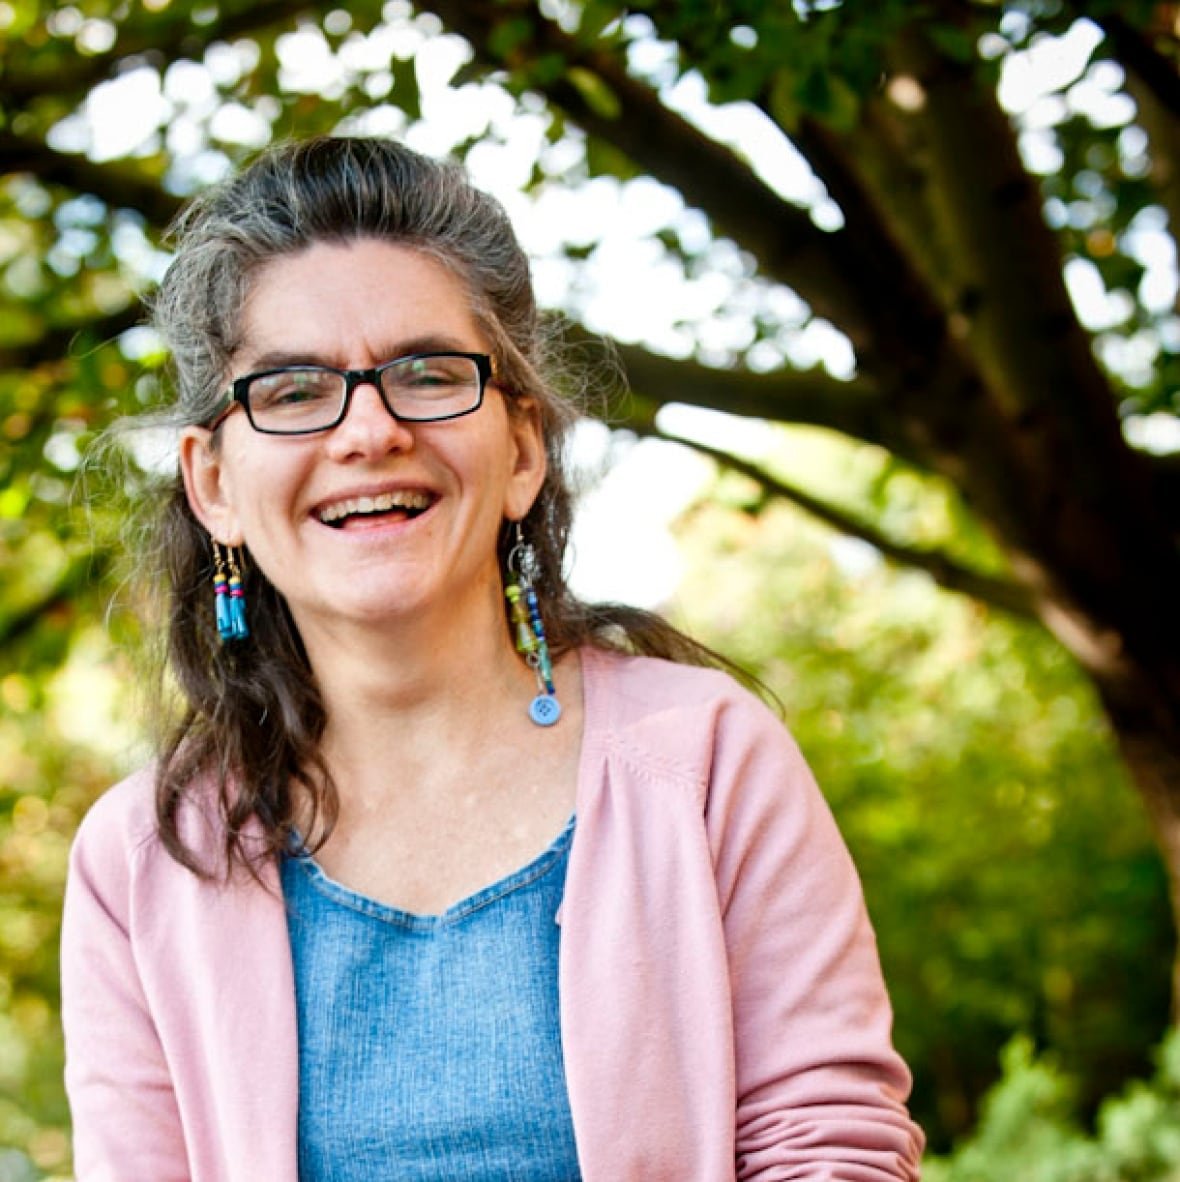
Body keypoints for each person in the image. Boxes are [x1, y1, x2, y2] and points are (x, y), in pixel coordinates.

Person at [60, 135, 925, 1181]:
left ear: (521, 450)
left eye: (426, 373)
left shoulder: (706, 762)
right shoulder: (141, 863)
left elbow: (828, 1147)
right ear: (213, 485)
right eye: (291, 390)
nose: (369, 429)